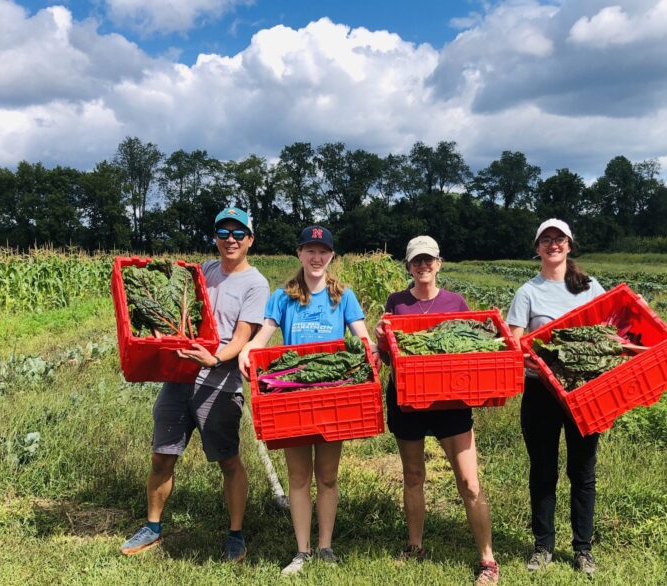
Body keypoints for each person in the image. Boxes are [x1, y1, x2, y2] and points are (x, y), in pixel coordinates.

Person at [120, 207, 270, 562]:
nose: (230, 239)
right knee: (162, 455)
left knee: (228, 460)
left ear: (250, 239)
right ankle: (153, 527)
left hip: (220, 383)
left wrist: (216, 359)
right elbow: (183, 319)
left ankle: (235, 534)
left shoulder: (255, 283)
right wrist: (161, 334)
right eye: (223, 232)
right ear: (215, 238)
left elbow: (241, 337)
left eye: (237, 233)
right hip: (179, 377)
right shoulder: (203, 270)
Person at [238, 225, 376, 576]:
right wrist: (249, 351)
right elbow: (263, 335)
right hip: (294, 399)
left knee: (328, 477)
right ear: (299, 253)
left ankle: (326, 546)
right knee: (298, 478)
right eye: (310, 250)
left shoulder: (343, 296)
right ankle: (302, 551)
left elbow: (361, 337)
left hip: (332, 398)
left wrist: (372, 349)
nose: (316, 257)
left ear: (331, 256)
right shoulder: (282, 297)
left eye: (323, 251)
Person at [375, 235, 499, 585]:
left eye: (429, 260)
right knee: (413, 476)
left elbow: (474, 353)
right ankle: (415, 546)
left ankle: (487, 560)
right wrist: (382, 341)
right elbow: (389, 358)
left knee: (469, 482)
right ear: (408, 266)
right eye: (417, 261)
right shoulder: (396, 302)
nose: (423, 266)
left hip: (451, 403)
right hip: (409, 401)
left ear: (439, 264)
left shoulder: (456, 302)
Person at [506, 219, 606, 576]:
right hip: (542, 391)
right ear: (537, 247)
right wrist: (535, 355)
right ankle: (543, 546)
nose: (553, 245)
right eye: (546, 240)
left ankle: (583, 549)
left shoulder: (590, 287)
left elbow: (609, 330)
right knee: (543, 470)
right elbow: (514, 342)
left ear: (569, 245)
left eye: (559, 239)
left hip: (584, 391)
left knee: (582, 471)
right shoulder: (527, 292)